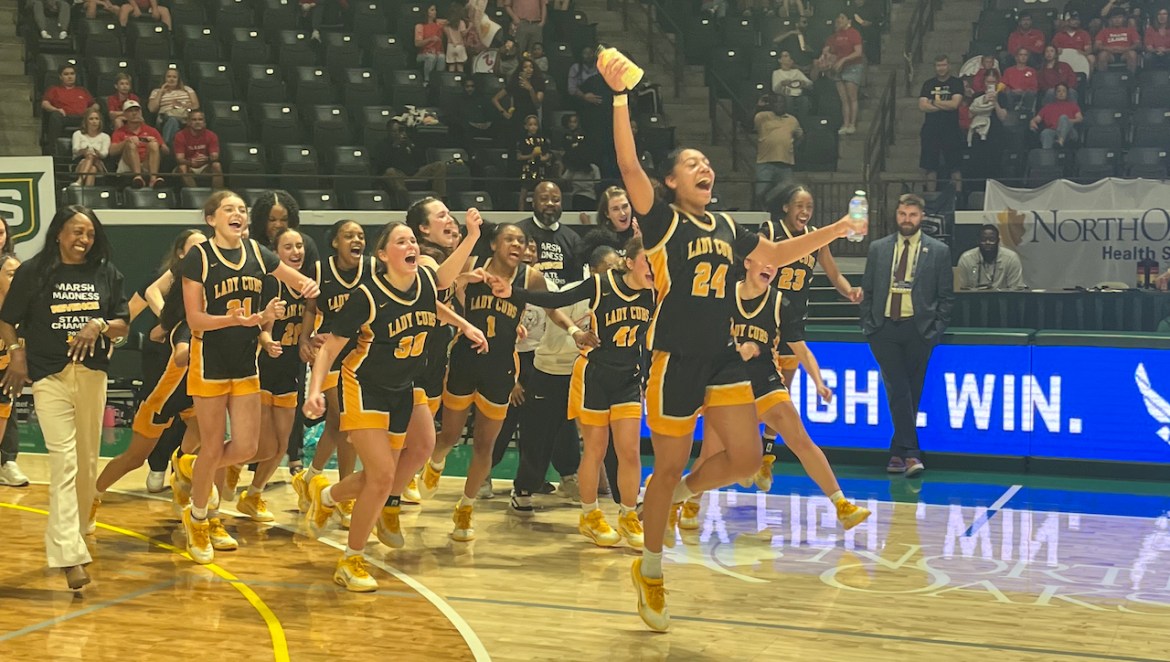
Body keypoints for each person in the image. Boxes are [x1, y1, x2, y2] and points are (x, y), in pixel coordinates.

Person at [599, 51, 866, 632]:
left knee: (745, 459)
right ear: (672, 182)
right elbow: (626, 164)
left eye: (707, 164)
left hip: (721, 354)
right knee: (665, 467)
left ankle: (674, 497)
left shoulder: (725, 227)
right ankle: (650, 567)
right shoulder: (664, 221)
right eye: (692, 163)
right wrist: (619, 95)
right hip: (673, 358)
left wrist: (838, 231)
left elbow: (773, 255)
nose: (705, 168)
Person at [302, 212, 486, 588]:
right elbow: (331, 346)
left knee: (380, 476)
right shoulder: (367, 296)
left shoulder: (422, 282)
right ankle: (351, 560)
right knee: (383, 476)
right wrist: (315, 390)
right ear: (382, 255)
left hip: (402, 387)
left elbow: (434, 301)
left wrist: (464, 323)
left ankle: (329, 495)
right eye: (401, 242)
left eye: (413, 242)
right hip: (363, 385)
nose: (411, 246)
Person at [176, 191, 319, 565]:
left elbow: (300, 281)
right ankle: (199, 518)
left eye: (241, 209)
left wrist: (315, 289)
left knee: (246, 448)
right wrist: (239, 320)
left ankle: (194, 469)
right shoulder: (200, 257)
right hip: (209, 362)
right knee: (212, 446)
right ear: (212, 219)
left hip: (245, 364)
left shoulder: (258, 253)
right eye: (229, 210)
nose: (237, 214)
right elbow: (195, 321)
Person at [416, 222, 579, 542]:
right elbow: (443, 290)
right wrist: (465, 278)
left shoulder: (530, 276)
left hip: (501, 366)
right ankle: (435, 462)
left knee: (484, 445)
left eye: (522, 240)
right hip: (465, 360)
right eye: (510, 239)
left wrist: (574, 331)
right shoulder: (473, 265)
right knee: (449, 434)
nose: (517, 244)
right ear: (494, 245)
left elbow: (553, 308)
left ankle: (466, 507)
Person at [687, 250, 870, 532]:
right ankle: (691, 502)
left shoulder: (780, 304)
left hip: (765, 382)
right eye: (765, 262)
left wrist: (818, 381)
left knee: (801, 440)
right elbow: (705, 344)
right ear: (747, 263)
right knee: (711, 452)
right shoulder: (723, 297)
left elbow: (801, 350)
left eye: (776, 265)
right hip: (728, 385)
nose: (771, 268)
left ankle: (841, 505)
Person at [0, 205, 130, 590]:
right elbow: (7, 319)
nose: (83, 239)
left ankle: (76, 529)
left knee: (87, 463)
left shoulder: (106, 272)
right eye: (76, 231)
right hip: (49, 376)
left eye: (89, 233)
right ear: (58, 232)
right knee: (65, 461)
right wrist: (17, 356)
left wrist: (101, 325)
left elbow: (123, 322)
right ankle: (69, 556)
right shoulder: (34, 272)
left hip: (91, 376)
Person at [503, 237, 653, 548]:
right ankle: (590, 515)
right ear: (630, 262)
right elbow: (556, 299)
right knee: (595, 449)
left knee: (629, 451)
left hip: (627, 378)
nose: (653, 268)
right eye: (647, 261)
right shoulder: (601, 285)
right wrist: (513, 292)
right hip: (594, 376)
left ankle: (627, 514)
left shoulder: (656, 293)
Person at [92, 265, 199, 522]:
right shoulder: (185, 326)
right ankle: (91, 495)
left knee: (210, 441)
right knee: (134, 458)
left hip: (190, 397)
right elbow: (182, 355)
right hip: (162, 400)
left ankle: (184, 472)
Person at [859, 193, 953, 477]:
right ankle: (912, 454)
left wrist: (934, 330)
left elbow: (946, 297)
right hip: (884, 327)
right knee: (898, 387)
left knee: (912, 391)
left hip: (918, 328)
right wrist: (869, 325)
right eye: (902, 214)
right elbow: (868, 290)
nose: (907, 220)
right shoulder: (879, 248)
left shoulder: (938, 250)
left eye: (912, 215)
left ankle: (897, 453)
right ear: (896, 215)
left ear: (922, 217)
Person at [291, 220, 372, 527]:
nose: (356, 240)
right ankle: (345, 499)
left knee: (339, 424)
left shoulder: (374, 268)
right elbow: (311, 307)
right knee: (347, 423)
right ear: (335, 242)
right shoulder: (321, 270)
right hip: (330, 351)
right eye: (349, 235)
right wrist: (304, 337)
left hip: (361, 352)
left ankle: (310, 477)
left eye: (361, 235)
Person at [238, 227, 314, 522]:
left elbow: (311, 328)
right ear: (276, 254)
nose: (296, 252)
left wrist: (311, 342)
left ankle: (253, 495)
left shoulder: (309, 288)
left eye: (299, 246)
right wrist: (266, 339)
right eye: (288, 247)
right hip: (260, 368)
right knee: (262, 443)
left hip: (289, 370)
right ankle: (222, 466)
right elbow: (256, 323)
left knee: (281, 446)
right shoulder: (269, 283)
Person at [132, 229, 207, 492]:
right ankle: (156, 467)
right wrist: (169, 320)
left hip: (194, 352)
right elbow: (151, 292)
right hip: (167, 352)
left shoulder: (210, 272)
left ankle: (181, 472)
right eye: (194, 246)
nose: (201, 250)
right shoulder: (174, 273)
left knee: (195, 418)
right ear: (180, 252)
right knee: (165, 414)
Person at [918, 55, 964, 192]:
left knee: (955, 167)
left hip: (951, 130)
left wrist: (933, 102)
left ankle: (958, 199)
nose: (941, 68)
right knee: (930, 167)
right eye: (938, 65)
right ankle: (931, 198)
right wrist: (944, 105)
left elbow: (955, 104)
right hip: (931, 130)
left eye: (944, 65)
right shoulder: (928, 84)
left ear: (948, 65)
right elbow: (922, 106)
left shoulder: (956, 83)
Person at [0, 253, 26, 488]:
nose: (18, 280)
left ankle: (6, 463)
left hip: (5, 371)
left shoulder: (24, 310)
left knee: (4, 408)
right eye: (11, 275)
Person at [753, 95, 802, 210]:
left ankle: (775, 213)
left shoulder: (792, 120)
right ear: (771, 104)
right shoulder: (763, 116)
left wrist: (792, 147)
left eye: (781, 102)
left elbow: (800, 136)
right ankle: (760, 217)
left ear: (785, 105)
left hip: (786, 162)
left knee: (786, 191)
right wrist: (758, 107)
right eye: (776, 102)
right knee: (759, 192)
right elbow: (748, 123)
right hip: (765, 161)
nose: (779, 105)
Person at [821, 12, 865, 135]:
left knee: (852, 97)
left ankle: (852, 123)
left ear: (848, 20)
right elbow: (829, 49)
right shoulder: (835, 35)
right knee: (843, 99)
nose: (839, 20)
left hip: (852, 66)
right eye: (838, 18)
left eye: (842, 18)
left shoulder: (854, 33)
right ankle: (845, 123)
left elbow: (858, 52)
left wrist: (844, 59)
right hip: (838, 68)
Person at [110, 100, 169, 188]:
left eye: (136, 110)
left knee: (153, 144)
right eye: (130, 111)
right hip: (128, 163)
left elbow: (166, 151)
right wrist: (126, 141)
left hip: (146, 163)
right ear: (125, 115)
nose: (134, 113)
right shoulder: (119, 132)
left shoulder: (151, 130)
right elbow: (112, 152)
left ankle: (153, 179)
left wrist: (157, 143)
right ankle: (138, 177)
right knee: (131, 144)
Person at [41, 65, 99, 151]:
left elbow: (95, 105)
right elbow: (44, 103)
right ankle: (53, 148)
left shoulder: (82, 90)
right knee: (55, 116)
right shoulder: (54, 89)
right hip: (64, 117)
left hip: (82, 118)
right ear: (60, 77)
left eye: (72, 74)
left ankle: (97, 147)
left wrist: (91, 110)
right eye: (66, 74)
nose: (70, 76)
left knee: (97, 117)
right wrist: (56, 109)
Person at [956, 224, 1026, 290]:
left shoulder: (1011, 258)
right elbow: (961, 288)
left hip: (1003, 300)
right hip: (974, 300)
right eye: (983, 239)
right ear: (978, 241)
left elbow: (1016, 289)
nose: (987, 242)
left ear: (998, 241)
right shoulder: (966, 258)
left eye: (992, 239)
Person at [173, 109, 224, 189]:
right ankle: (196, 194)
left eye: (200, 119)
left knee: (217, 165)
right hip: (189, 165)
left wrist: (206, 159)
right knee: (182, 167)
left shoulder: (211, 135)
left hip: (205, 165)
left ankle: (217, 194)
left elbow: (215, 156)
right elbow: (179, 159)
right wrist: (190, 162)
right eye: (194, 119)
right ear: (188, 122)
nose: (197, 122)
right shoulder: (180, 136)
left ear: (204, 122)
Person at [147, 68, 199, 146]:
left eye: (174, 77)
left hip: (184, 117)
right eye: (169, 77)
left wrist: (181, 105)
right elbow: (152, 109)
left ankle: (166, 147)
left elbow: (196, 106)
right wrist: (161, 92)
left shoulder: (187, 89)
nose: (171, 79)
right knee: (172, 121)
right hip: (165, 118)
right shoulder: (156, 91)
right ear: (165, 78)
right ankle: (167, 145)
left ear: (178, 79)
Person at [516, 115, 552, 209]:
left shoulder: (543, 140)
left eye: (535, 124)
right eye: (530, 124)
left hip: (540, 168)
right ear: (526, 126)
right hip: (527, 169)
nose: (533, 127)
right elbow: (519, 157)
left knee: (541, 192)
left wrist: (544, 158)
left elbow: (548, 154)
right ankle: (521, 211)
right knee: (524, 192)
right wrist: (531, 156)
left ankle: (540, 210)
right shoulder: (522, 140)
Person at [1030, 82, 1082, 149]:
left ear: (1067, 94)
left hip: (1070, 132)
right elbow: (1037, 119)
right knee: (1045, 132)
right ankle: (1048, 155)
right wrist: (1032, 122)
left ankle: (1060, 141)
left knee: (1063, 117)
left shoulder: (1073, 106)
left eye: (1064, 91)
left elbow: (1080, 118)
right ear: (1055, 94)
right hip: (1053, 131)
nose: (1061, 93)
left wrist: (1066, 121)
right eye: (1059, 91)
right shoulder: (1047, 107)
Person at [71, 108, 110, 187]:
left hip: (98, 164)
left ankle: (80, 181)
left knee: (91, 156)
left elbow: (104, 154)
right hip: (80, 163)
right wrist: (83, 151)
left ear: (100, 121)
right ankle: (88, 192)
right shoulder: (78, 134)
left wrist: (96, 152)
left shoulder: (105, 137)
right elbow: (75, 150)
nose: (94, 121)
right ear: (86, 121)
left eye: (96, 119)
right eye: (91, 119)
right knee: (92, 169)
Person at [771, 51, 814, 119]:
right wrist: (781, 84)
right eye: (785, 56)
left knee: (804, 100)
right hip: (785, 95)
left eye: (789, 56)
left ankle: (802, 121)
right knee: (788, 100)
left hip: (798, 95)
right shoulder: (776, 73)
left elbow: (810, 83)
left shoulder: (796, 72)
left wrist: (804, 83)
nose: (788, 58)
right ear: (779, 60)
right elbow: (775, 89)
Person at [1096, 8, 1141, 73]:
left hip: (1125, 53)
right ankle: (1104, 80)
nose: (1117, 20)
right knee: (1102, 55)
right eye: (1114, 18)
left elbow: (1138, 44)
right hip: (1109, 54)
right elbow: (1097, 45)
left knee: (1132, 54)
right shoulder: (1104, 31)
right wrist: (1108, 48)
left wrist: (1126, 49)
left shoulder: (1130, 30)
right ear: (1111, 19)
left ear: (1124, 19)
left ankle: (1131, 79)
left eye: (1120, 17)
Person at [415, 4, 445, 85]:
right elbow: (417, 43)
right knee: (431, 57)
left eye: (435, 10)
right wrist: (430, 39)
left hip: (437, 51)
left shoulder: (438, 24)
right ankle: (427, 80)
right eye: (432, 10)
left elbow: (450, 21)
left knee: (442, 57)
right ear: (427, 12)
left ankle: (438, 80)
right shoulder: (420, 26)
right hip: (423, 54)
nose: (435, 12)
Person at [1002, 48, 1039, 112]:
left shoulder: (1032, 71)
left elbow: (1034, 87)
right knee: (1007, 93)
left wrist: (1023, 91)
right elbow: (1003, 85)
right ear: (1016, 57)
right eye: (1021, 55)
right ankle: (1010, 114)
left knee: (1031, 93)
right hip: (1012, 93)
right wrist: (1013, 91)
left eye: (1025, 55)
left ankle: (1026, 114)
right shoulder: (1008, 71)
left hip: (1025, 94)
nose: (1023, 57)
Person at [445, 1, 470, 72]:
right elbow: (463, 34)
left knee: (451, 67)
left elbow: (446, 33)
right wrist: (469, 27)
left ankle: (450, 82)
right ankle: (460, 82)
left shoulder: (447, 23)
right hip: (460, 45)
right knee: (460, 67)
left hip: (450, 46)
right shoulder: (461, 22)